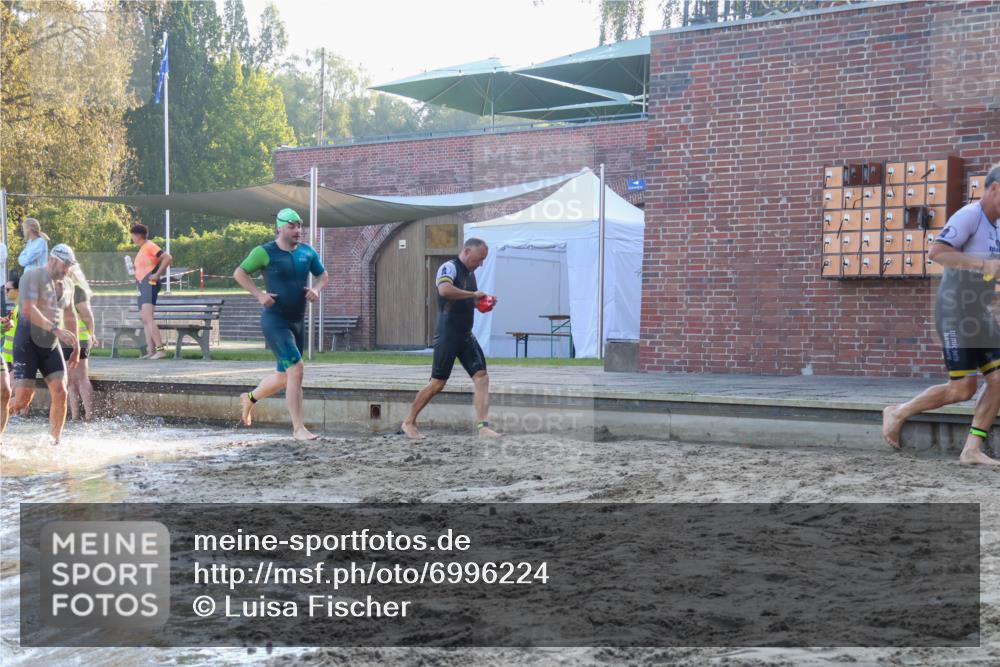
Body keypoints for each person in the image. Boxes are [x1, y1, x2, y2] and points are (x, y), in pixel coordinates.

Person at [882, 163, 1000, 465]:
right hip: (954, 312)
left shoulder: (996, 227)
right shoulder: (970, 215)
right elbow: (937, 252)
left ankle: (972, 449)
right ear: (995, 189)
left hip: (978, 312)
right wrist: (980, 264)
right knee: (963, 388)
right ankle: (898, 411)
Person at [233, 208, 329, 441]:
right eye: (292, 226)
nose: (298, 230)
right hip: (275, 320)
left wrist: (315, 289)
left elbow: (324, 275)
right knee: (296, 369)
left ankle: (250, 398)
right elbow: (239, 273)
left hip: (297, 321)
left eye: (299, 225)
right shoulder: (264, 252)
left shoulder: (307, 252)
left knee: (283, 376)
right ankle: (298, 428)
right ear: (279, 227)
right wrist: (259, 295)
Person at [401, 238, 500, 439]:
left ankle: (483, 427)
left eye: (483, 260)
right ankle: (408, 422)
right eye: (479, 258)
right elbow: (444, 291)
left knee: (482, 377)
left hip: (465, 334)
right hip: (448, 334)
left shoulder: (470, 274)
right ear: (466, 251)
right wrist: (473, 294)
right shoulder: (449, 267)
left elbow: (464, 301)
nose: (481, 263)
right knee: (437, 383)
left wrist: (482, 302)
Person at [8, 244, 80, 444]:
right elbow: (27, 310)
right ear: (53, 259)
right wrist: (56, 330)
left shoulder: (67, 285)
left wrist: (76, 347)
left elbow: (70, 314)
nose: (67, 270)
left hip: (50, 345)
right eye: (65, 265)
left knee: (61, 391)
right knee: (23, 400)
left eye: (69, 267)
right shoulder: (32, 277)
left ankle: (54, 442)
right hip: (27, 343)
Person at [130, 224, 172, 360]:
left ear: (138, 235)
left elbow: (167, 258)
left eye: (132, 235)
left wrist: (158, 274)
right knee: (145, 319)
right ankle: (151, 350)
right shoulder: (142, 249)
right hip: (142, 286)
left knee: (148, 318)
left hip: (150, 284)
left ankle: (160, 350)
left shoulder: (149, 246)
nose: (131, 238)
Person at [62, 265, 98, 421]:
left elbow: (88, 317)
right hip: (63, 340)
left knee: (81, 378)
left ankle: (90, 416)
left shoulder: (77, 291)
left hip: (80, 338)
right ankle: (75, 417)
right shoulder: (58, 289)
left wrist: (91, 335)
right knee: (69, 380)